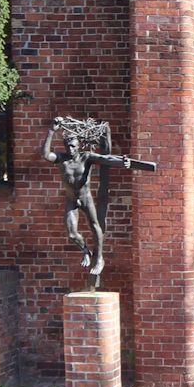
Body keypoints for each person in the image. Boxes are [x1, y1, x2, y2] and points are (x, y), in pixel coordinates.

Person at [42, 118, 133, 280]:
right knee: (72, 233)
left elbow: (106, 159)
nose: (70, 149)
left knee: (94, 225)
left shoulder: (86, 157)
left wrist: (122, 161)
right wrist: (51, 131)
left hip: (85, 199)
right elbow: (45, 155)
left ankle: (99, 259)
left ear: (79, 146)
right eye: (67, 146)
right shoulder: (62, 159)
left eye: (73, 146)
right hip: (71, 200)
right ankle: (85, 251)